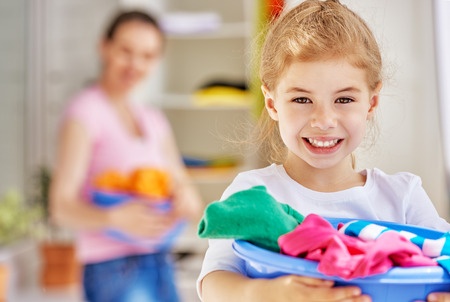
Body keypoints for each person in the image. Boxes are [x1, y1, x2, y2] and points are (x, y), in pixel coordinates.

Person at [197, 1, 450, 301]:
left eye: (343, 100)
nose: (324, 121)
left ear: (371, 103)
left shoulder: (403, 197)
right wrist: (273, 294)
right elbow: (213, 283)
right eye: (302, 100)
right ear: (272, 103)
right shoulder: (255, 194)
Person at [49, 9, 203, 302]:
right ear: (104, 47)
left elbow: (184, 187)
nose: (135, 64)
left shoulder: (153, 119)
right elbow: (60, 207)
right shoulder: (85, 113)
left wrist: (183, 195)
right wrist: (113, 217)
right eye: (126, 51)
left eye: (147, 56)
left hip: (161, 261)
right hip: (111, 269)